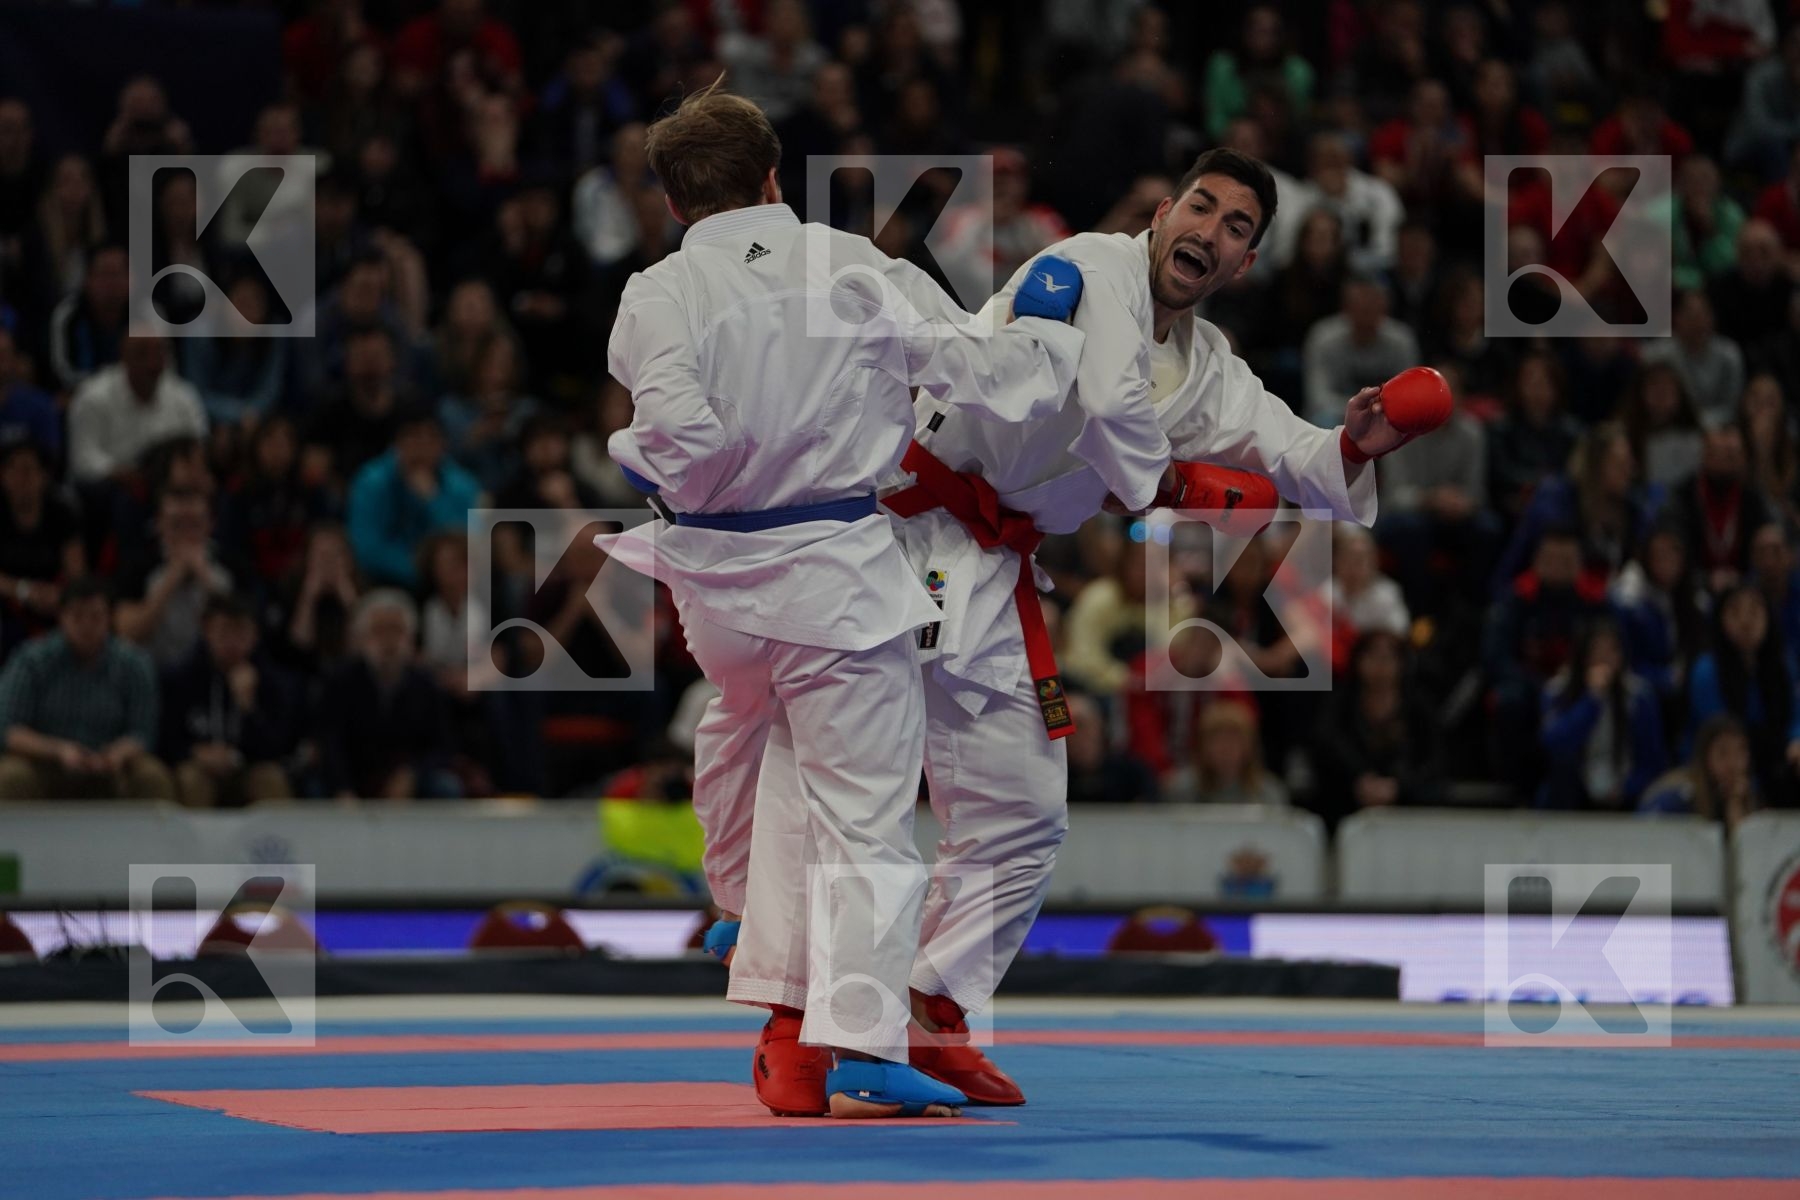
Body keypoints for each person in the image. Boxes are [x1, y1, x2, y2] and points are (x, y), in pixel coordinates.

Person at [731, 147, 1420, 1113]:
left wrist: (1353, 444)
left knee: (1023, 809)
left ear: (1244, 264)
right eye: (1201, 205)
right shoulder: (1094, 267)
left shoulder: (1209, 368)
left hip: (997, 569)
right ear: (1164, 208)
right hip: (902, 531)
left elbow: (1290, 451)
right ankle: (789, 1020)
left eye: (1235, 228)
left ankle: (931, 1005)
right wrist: (1178, 485)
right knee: (844, 782)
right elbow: (1108, 404)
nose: (1209, 231)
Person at [597, 84, 1088, 1120]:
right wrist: (1041, 329)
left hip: (716, 585)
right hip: (831, 574)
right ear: (774, 178)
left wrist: (687, 465)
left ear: (678, 203)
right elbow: (983, 375)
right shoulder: (853, 267)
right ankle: (859, 1035)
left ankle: (734, 906)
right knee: (863, 817)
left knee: (747, 727)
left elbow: (676, 434)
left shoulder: (657, 293)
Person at [0, 577, 174, 801]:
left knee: (152, 777)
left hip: (111, 764)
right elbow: (9, 731)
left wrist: (116, 754)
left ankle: (154, 837)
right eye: (77, 616)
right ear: (61, 617)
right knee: (10, 776)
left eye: (95, 616)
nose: (86, 625)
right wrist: (60, 750)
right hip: (46, 761)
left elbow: (142, 732)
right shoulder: (32, 661)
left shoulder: (134, 664)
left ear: (110, 618)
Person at [159, 593, 300, 807]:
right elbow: (163, 740)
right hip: (199, 766)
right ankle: (192, 842)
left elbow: (277, 749)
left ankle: (273, 842)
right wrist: (195, 753)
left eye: (242, 632)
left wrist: (248, 706)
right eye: (225, 631)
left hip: (248, 767)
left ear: (255, 635)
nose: (233, 642)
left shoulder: (271, 681)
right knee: (191, 779)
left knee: (271, 779)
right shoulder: (180, 677)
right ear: (206, 630)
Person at [1538, 617, 1668, 811]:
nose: (1604, 659)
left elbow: (1652, 761)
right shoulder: (1557, 691)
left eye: (1612, 651)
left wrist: (1627, 788)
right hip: (1574, 791)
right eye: (1597, 651)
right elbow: (1555, 744)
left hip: (1624, 791)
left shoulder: (1639, 696)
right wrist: (1591, 701)